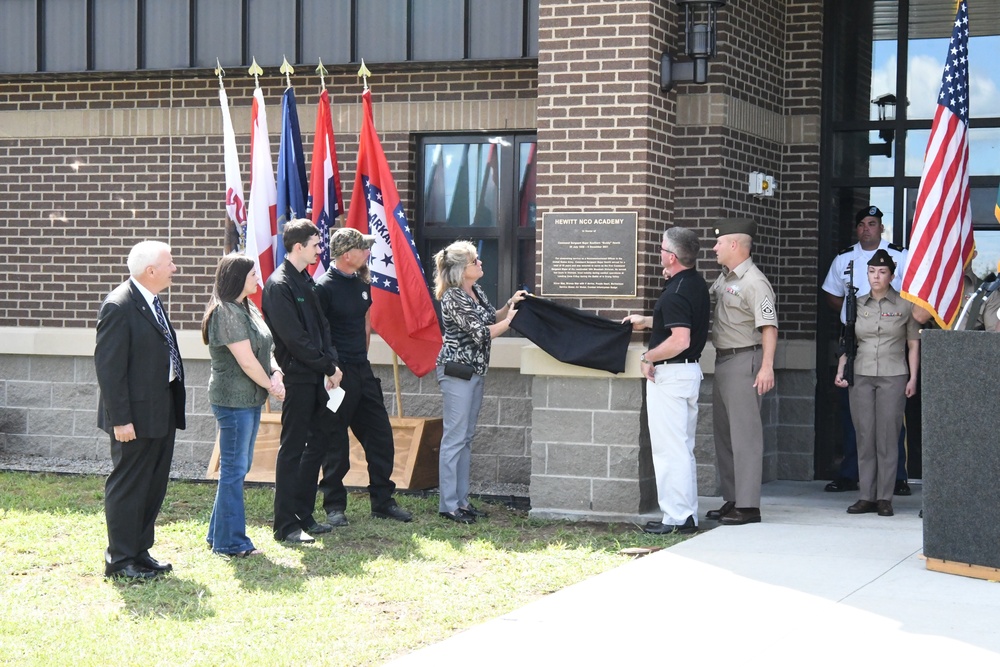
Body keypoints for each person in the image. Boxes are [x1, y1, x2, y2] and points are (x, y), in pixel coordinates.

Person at [308, 227, 413, 526]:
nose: (368, 252)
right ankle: (334, 506)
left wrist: (361, 360)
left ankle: (382, 501)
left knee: (380, 436)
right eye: (363, 248)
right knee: (335, 442)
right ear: (346, 255)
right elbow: (318, 333)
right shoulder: (323, 288)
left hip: (362, 371)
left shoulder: (361, 284)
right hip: (336, 374)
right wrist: (330, 370)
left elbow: (364, 324)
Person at [95, 240, 186, 580]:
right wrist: (121, 419)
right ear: (151, 271)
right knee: (129, 485)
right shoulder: (119, 305)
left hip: (160, 410)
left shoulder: (152, 301)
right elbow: (109, 369)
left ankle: (139, 551)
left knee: (152, 484)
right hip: (132, 418)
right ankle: (120, 560)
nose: (174, 268)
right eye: (170, 263)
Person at [623, 227, 710, 535]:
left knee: (669, 450)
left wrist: (649, 358)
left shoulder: (674, 292)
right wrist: (647, 321)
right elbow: (683, 322)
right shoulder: (695, 284)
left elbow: (679, 339)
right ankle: (686, 515)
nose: (659, 253)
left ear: (672, 257)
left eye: (661, 249)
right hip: (687, 374)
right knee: (682, 448)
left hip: (671, 376)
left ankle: (676, 518)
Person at [262, 219, 343, 544]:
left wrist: (332, 364)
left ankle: (304, 514)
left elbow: (323, 327)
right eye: (315, 245)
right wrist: (326, 366)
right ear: (298, 247)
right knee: (293, 449)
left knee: (318, 445)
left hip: (319, 378)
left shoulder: (306, 281)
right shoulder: (279, 284)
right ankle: (285, 524)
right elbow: (294, 339)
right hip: (297, 378)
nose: (319, 250)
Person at [433, 241, 525, 523]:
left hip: (475, 371)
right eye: (476, 261)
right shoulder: (452, 297)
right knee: (454, 438)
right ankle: (448, 505)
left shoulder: (476, 291)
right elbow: (481, 333)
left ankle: (461, 501)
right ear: (462, 268)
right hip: (457, 372)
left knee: (466, 438)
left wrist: (510, 305)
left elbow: (490, 317)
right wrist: (509, 322)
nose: (481, 264)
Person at [821, 205, 910, 495]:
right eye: (862, 224)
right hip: (856, 339)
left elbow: (911, 295)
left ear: (881, 227)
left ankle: (896, 479)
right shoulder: (845, 257)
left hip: (892, 341)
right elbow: (832, 293)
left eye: (872, 223)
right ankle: (850, 474)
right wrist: (853, 317)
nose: (866, 228)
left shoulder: (899, 255)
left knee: (890, 419)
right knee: (856, 417)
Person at [202, 254, 285, 557]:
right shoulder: (225, 313)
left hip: (251, 398)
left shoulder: (248, 308)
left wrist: (275, 373)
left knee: (238, 468)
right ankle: (231, 543)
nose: (257, 279)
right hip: (232, 401)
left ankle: (217, 536)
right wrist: (271, 385)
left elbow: (266, 350)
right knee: (235, 470)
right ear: (238, 278)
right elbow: (247, 361)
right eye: (253, 274)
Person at [834, 249, 920, 517]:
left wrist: (913, 377)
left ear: (892, 276)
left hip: (893, 374)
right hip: (861, 374)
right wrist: (841, 370)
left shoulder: (904, 305)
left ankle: (885, 497)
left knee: (887, 436)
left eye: (882, 272)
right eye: (872, 271)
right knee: (864, 435)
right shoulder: (856, 305)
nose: (876, 276)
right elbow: (848, 342)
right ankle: (866, 496)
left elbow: (913, 345)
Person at [706, 219, 777, 526]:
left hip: (744, 361)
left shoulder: (754, 282)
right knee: (725, 434)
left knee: (745, 436)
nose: (714, 247)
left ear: (734, 245)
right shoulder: (724, 280)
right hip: (723, 361)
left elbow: (769, 327)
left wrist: (766, 367)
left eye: (719, 243)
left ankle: (749, 506)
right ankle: (733, 498)